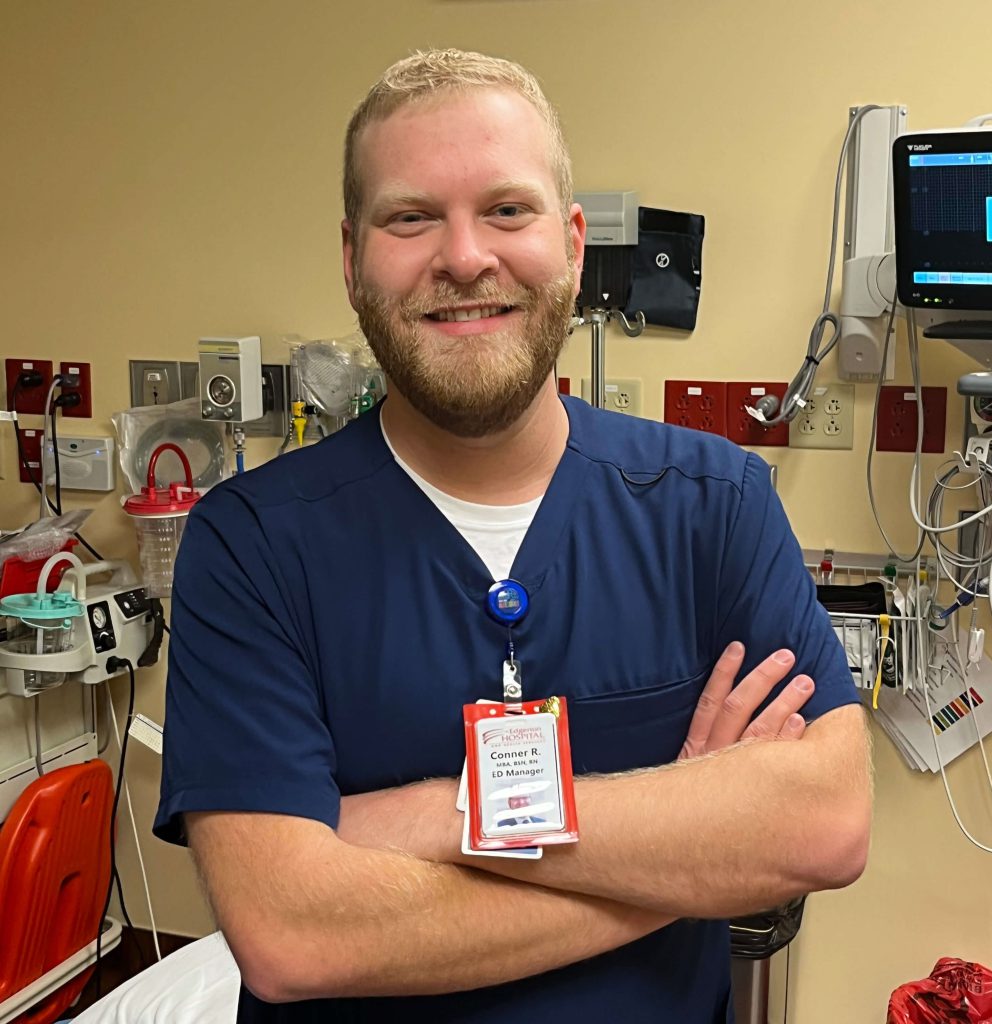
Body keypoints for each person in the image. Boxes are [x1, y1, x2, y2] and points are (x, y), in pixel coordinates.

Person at [155, 48, 871, 1023]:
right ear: (352, 258)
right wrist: (691, 846)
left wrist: (439, 813)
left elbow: (826, 824)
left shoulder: (714, 505)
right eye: (411, 218)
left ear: (571, 244)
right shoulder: (250, 547)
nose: (463, 257)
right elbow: (291, 934)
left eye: (505, 209)